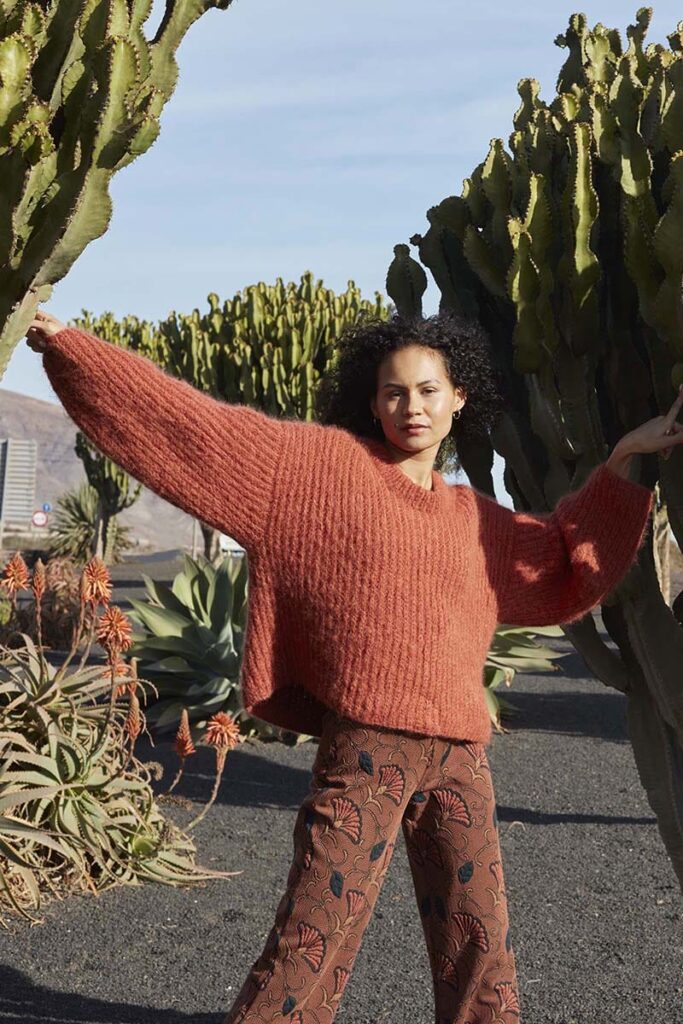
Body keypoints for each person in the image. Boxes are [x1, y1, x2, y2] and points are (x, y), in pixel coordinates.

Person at [26, 308, 682, 1023]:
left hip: (459, 754)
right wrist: (73, 352)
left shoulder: (477, 519)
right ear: (372, 402)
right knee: (311, 939)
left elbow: (558, 560)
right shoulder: (319, 471)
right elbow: (191, 431)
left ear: (458, 397)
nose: (412, 407)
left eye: (428, 390)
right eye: (393, 392)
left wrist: (621, 461)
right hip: (367, 749)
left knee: (479, 944)